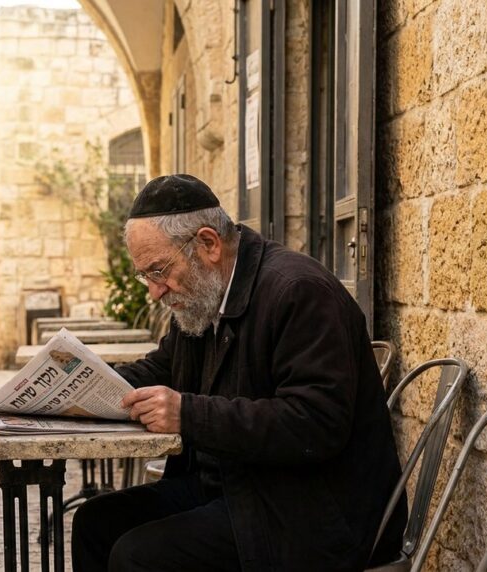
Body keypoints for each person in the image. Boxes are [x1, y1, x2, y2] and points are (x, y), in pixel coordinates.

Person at [71, 174, 407, 571]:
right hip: (240, 489)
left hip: (314, 513)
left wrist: (187, 414)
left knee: (140, 556)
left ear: (208, 244)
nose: (155, 291)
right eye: (146, 275)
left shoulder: (298, 291)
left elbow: (317, 425)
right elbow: (162, 368)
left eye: (159, 270)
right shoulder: (202, 294)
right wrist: (81, 389)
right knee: (95, 522)